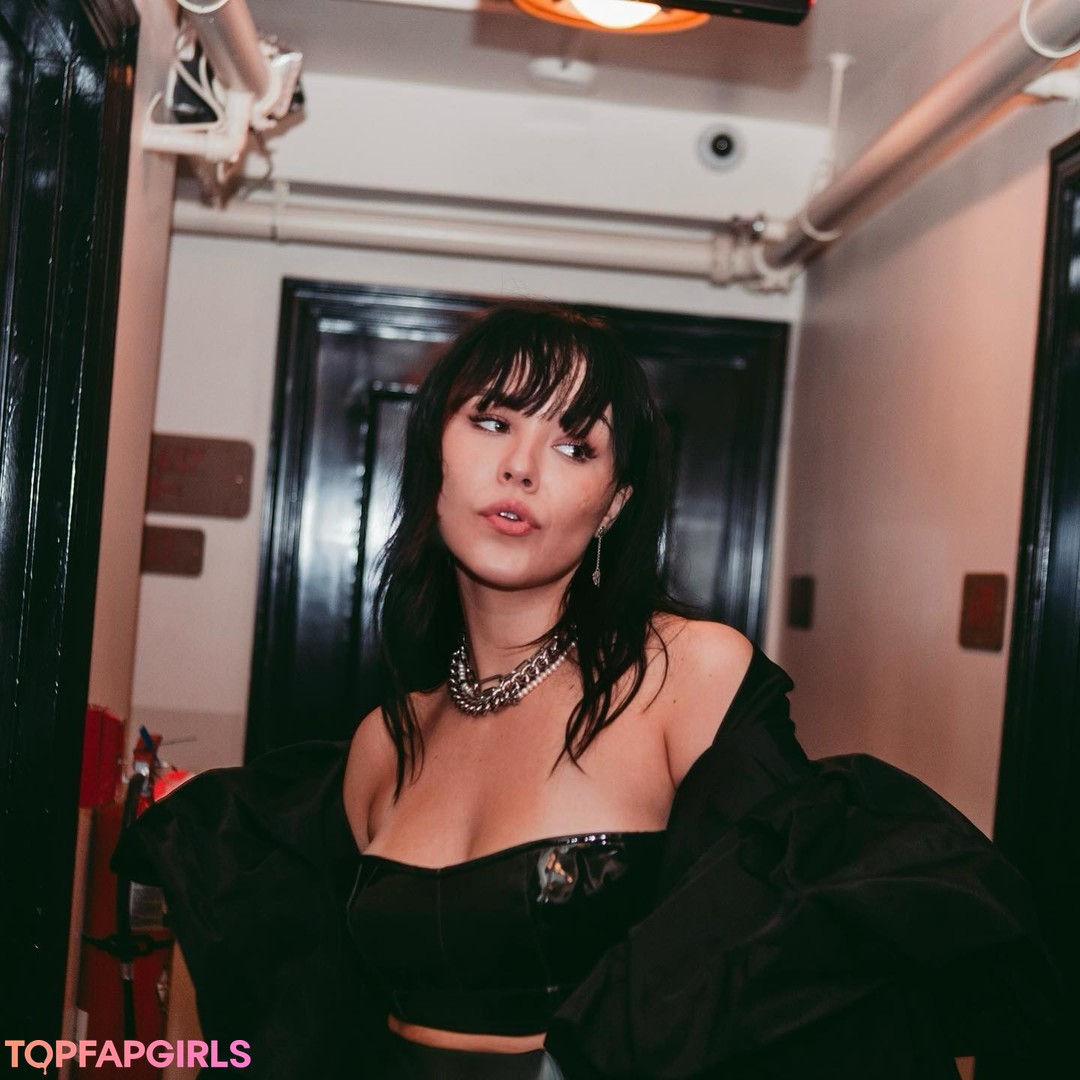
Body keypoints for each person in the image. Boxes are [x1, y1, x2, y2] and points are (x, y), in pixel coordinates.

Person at [114, 302, 1056, 1079]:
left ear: (613, 505)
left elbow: (795, 961)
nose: (521, 466)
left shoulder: (684, 676)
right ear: (434, 451)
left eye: (575, 447)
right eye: (492, 422)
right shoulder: (383, 739)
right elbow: (308, 1005)